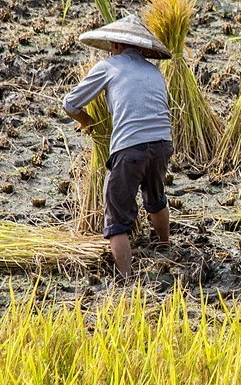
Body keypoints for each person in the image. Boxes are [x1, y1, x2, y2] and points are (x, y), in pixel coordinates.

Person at [63, 14, 173, 280]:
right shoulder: (154, 71)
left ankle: (125, 279)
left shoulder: (109, 66)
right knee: (156, 198)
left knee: (117, 218)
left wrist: (87, 121)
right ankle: (165, 247)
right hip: (162, 144)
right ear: (143, 49)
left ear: (114, 45)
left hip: (129, 148)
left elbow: (70, 104)